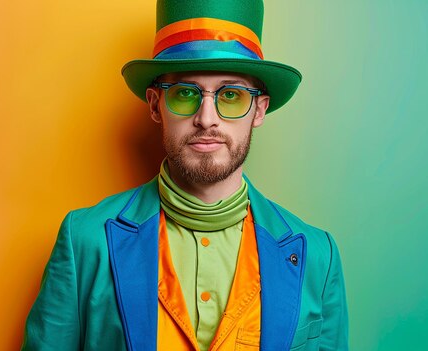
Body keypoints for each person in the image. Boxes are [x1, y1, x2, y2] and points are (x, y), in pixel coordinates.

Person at [21, 0, 348, 350]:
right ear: (154, 105)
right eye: (185, 93)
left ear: (259, 109)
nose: (207, 118)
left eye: (232, 95)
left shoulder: (318, 256)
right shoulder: (85, 241)